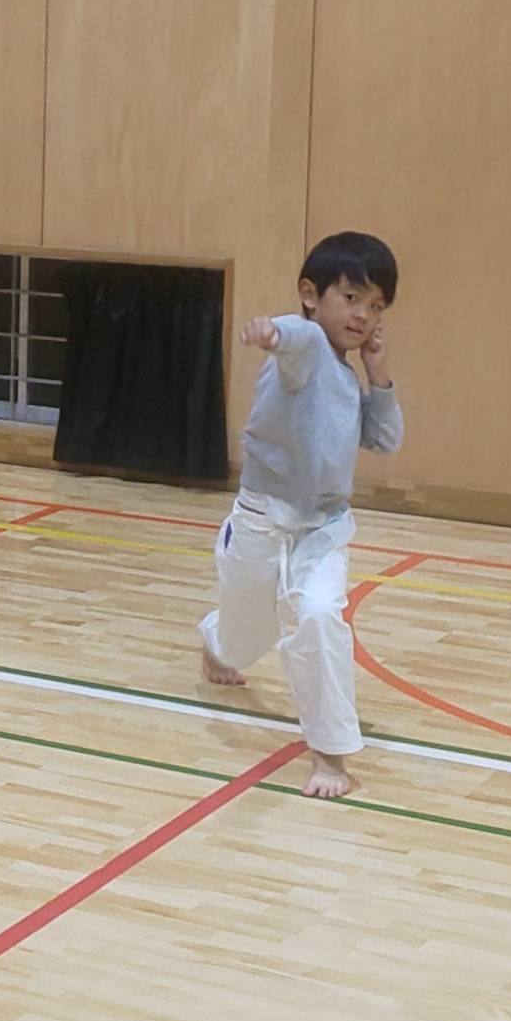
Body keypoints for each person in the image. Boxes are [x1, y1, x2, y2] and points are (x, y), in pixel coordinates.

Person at [199, 232, 404, 799]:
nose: (363, 315)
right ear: (311, 295)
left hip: (323, 528)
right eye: (352, 298)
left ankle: (330, 754)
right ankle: (217, 638)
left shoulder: (346, 376)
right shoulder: (308, 344)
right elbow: (292, 336)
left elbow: (386, 439)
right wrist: (270, 333)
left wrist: (378, 374)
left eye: (376, 306)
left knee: (319, 617)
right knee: (246, 639)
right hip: (262, 518)